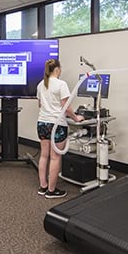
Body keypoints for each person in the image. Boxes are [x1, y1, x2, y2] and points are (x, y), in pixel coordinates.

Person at [36, 59, 84, 199]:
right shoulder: (61, 84)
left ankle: (43, 186)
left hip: (42, 123)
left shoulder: (41, 85)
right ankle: (51, 191)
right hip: (56, 125)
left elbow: (40, 105)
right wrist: (76, 118)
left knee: (44, 155)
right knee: (56, 157)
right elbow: (66, 106)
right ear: (57, 69)